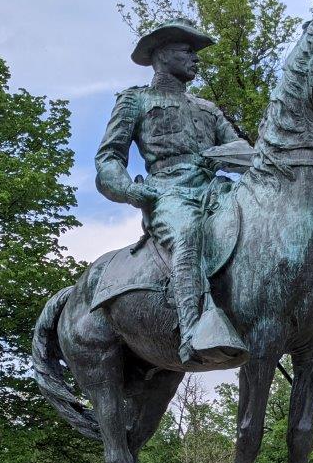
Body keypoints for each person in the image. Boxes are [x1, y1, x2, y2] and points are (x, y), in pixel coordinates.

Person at [95, 20, 249, 365]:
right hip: (169, 191)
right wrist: (128, 190)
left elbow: (237, 148)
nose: (196, 59)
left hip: (216, 188)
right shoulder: (136, 100)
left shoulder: (207, 108)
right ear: (162, 55)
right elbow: (108, 157)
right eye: (187, 51)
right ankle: (192, 332)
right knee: (187, 234)